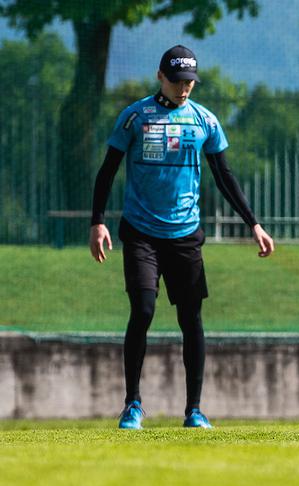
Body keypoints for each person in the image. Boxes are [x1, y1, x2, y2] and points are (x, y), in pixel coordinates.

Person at [90, 45, 275, 428]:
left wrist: (253, 223)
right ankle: (133, 405)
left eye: (189, 82)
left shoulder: (205, 121)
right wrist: (98, 221)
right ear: (161, 77)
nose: (184, 89)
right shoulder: (136, 117)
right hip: (141, 233)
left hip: (186, 235)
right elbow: (107, 170)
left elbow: (225, 177)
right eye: (177, 81)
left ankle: (194, 409)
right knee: (142, 311)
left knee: (191, 319)